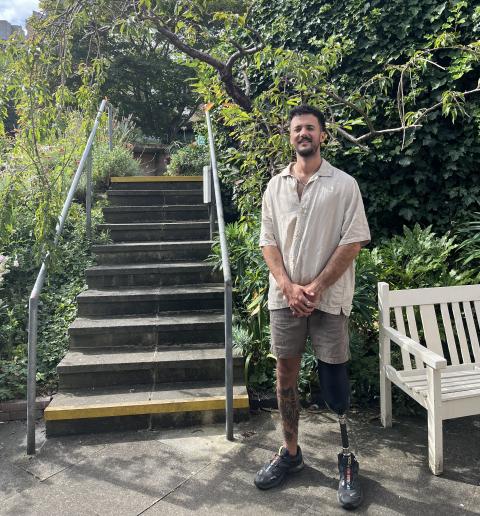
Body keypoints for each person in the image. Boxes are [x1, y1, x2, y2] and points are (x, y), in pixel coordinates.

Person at [254, 104, 371, 510]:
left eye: (310, 128)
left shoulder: (343, 185)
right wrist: (288, 287)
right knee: (285, 371)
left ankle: (347, 460)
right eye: (297, 128)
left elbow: (352, 241)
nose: (303, 133)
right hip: (284, 299)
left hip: (329, 299)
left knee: (334, 376)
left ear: (322, 135)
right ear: (290, 136)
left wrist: (316, 288)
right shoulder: (275, 187)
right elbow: (268, 243)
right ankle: (290, 452)